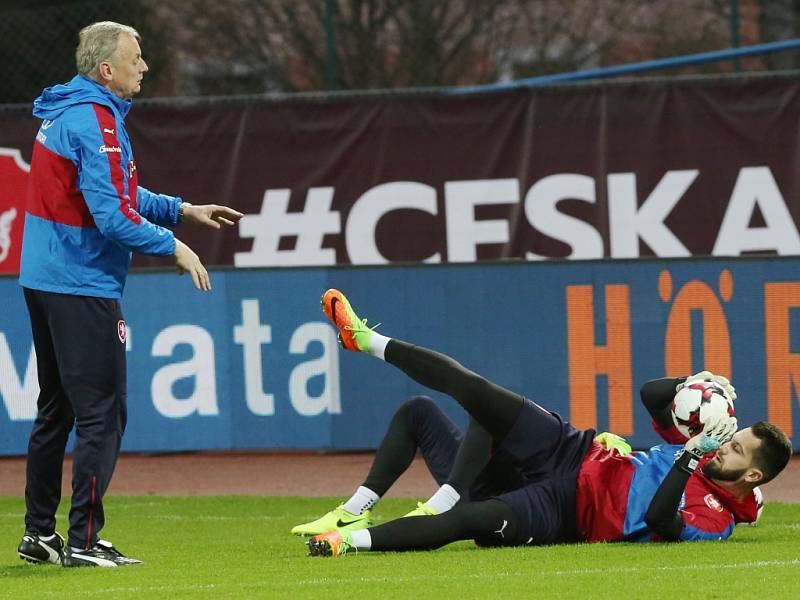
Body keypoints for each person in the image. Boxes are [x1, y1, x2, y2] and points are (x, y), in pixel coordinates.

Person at [299, 289, 792, 557]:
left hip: (568, 511)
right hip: (574, 451)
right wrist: (696, 382)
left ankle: (348, 542)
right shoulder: (704, 450)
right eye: (735, 438)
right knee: (477, 393)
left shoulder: (719, 520)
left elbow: (663, 520)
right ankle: (364, 340)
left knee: (473, 521)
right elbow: (652, 396)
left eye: (737, 450)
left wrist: (687, 458)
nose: (724, 446)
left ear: (753, 476)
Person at [16, 21, 242, 568]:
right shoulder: (96, 121)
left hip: (43, 278)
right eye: (135, 57)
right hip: (80, 282)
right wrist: (175, 246)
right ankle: (83, 542)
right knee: (103, 413)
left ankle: (40, 535)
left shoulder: (69, 109)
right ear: (106, 70)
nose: (145, 66)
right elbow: (113, 215)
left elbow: (113, 190)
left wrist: (182, 209)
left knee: (58, 411)